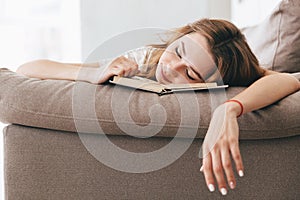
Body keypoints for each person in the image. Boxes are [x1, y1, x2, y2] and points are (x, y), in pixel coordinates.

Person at [16, 18, 300, 196]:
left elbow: (286, 80)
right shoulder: (145, 60)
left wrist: (229, 109)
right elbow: (28, 68)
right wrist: (92, 72)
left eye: (190, 74)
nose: (171, 66)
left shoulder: (232, 85)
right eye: (178, 51)